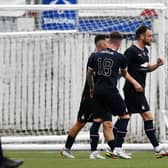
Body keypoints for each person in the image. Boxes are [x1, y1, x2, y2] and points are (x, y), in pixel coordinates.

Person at [87, 31, 143, 159]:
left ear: (108, 41)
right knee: (124, 116)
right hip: (110, 91)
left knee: (97, 120)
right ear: (119, 42)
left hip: (97, 91)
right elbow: (123, 73)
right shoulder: (120, 57)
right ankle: (117, 148)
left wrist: (92, 88)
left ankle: (93, 153)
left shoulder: (95, 55)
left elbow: (89, 74)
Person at [122, 25, 168, 158]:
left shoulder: (145, 51)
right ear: (141, 36)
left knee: (125, 117)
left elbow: (146, 69)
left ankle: (114, 146)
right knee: (148, 116)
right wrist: (135, 83)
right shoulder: (131, 51)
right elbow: (122, 71)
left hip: (138, 89)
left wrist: (157, 65)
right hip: (132, 89)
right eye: (149, 36)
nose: (151, 38)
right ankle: (157, 148)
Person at [60, 34, 108, 159]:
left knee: (100, 121)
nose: (108, 45)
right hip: (89, 96)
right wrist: (92, 89)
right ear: (102, 44)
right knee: (81, 122)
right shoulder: (93, 57)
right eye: (106, 43)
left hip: (99, 96)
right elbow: (90, 75)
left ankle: (97, 151)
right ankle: (66, 148)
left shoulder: (102, 57)